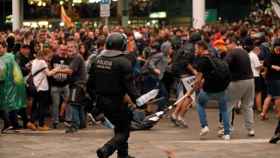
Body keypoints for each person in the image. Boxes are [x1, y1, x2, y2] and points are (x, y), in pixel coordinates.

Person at [87, 32, 140, 158]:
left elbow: (89, 86)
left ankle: (123, 155)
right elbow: (130, 88)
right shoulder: (123, 62)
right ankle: (106, 149)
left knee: (119, 127)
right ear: (122, 45)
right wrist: (138, 101)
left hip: (101, 102)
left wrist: (96, 100)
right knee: (124, 131)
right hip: (117, 102)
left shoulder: (97, 60)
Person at [191, 40, 231, 140]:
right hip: (222, 88)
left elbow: (199, 78)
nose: (195, 51)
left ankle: (204, 126)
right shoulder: (215, 57)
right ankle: (227, 133)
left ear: (201, 48)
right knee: (224, 110)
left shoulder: (202, 60)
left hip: (209, 89)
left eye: (196, 48)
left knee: (200, 104)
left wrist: (195, 86)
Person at [224, 37, 255, 137]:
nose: (226, 46)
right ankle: (250, 129)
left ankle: (227, 131)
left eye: (227, 43)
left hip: (237, 81)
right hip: (250, 80)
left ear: (233, 43)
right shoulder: (244, 52)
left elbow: (224, 65)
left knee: (228, 105)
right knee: (248, 105)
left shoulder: (232, 53)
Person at [263, 38, 280, 144]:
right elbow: (266, 64)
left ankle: (265, 112)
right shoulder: (271, 53)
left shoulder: (271, 52)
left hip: (275, 79)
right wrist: (273, 67)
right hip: (273, 79)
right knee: (276, 96)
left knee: (271, 96)